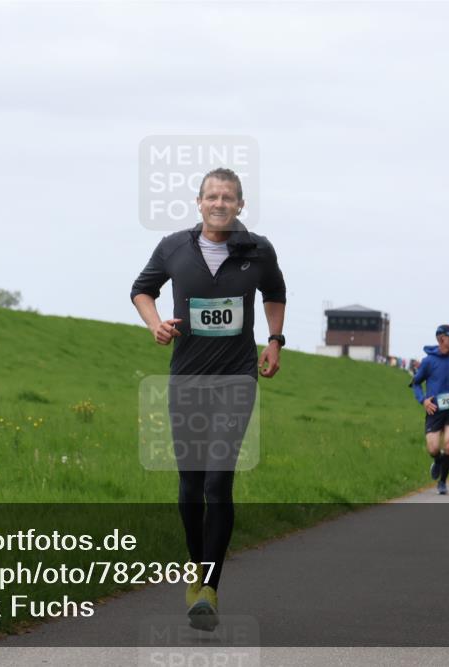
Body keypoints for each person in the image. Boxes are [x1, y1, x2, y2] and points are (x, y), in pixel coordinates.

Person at [130, 167, 286, 632]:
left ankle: (210, 589)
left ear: (240, 205)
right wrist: (155, 322)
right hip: (188, 379)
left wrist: (275, 339)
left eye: (229, 197)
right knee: (190, 485)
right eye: (212, 196)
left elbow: (275, 293)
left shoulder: (257, 249)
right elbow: (142, 289)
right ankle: (194, 569)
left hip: (237, 378)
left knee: (218, 482)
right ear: (198, 203)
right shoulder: (173, 247)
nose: (220, 203)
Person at [410, 324, 449, 495]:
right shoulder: (428, 362)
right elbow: (415, 383)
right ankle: (437, 461)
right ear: (441, 338)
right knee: (433, 448)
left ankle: (442, 482)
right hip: (434, 411)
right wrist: (423, 400)